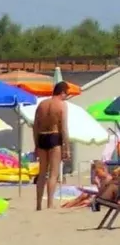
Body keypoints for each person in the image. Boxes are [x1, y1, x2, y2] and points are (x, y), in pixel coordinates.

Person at [31, 81, 70, 211]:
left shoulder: (42, 104)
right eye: (66, 94)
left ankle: (38, 204)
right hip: (54, 137)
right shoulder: (62, 105)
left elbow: (35, 126)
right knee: (53, 173)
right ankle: (50, 203)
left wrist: (36, 144)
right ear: (63, 92)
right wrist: (67, 147)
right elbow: (63, 128)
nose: (66, 96)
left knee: (42, 173)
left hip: (41, 137)